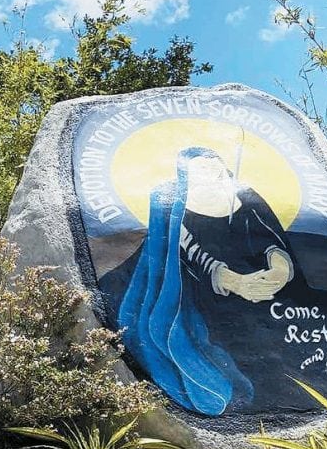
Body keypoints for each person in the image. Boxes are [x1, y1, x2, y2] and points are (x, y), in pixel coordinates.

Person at [116, 147, 299, 416]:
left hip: (257, 291)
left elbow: (268, 235)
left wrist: (279, 271)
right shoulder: (171, 203)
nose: (211, 168)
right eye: (201, 166)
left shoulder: (244, 195)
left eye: (215, 162)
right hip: (198, 293)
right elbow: (189, 252)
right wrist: (233, 281)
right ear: (186, 175)